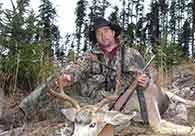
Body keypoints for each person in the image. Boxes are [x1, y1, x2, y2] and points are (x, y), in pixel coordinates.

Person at [19, 17, 150, 117]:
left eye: (106, 31)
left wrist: (143, 81)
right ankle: (24, 111)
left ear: (113, 33)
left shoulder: (131, 54)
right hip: (90, 97)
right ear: (96, 37)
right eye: (99, 33)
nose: (103, 35)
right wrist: (69, 76)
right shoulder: (91, 55)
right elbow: (78, 67)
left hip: (116, 101)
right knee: (56, 80)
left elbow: (146, 77)